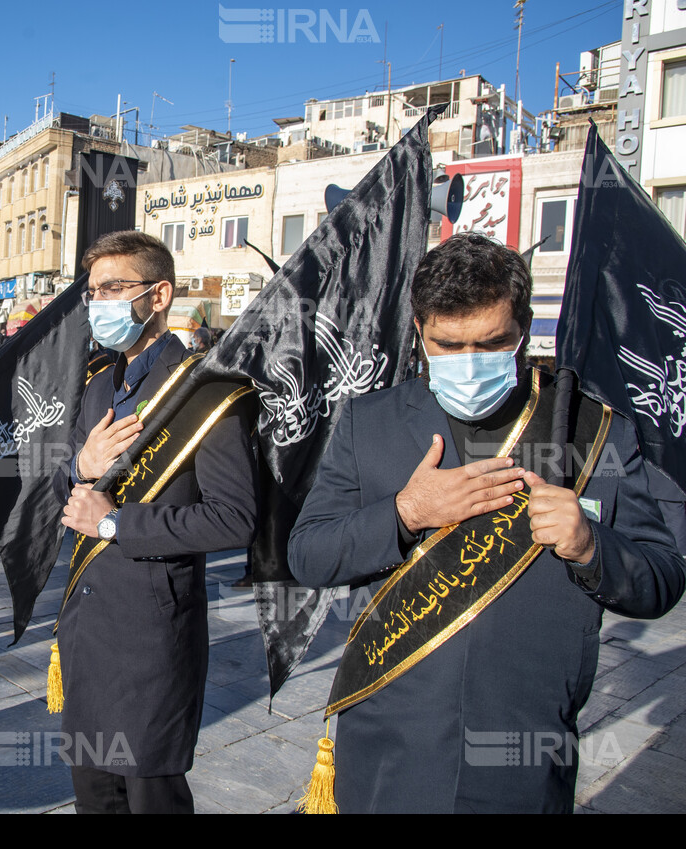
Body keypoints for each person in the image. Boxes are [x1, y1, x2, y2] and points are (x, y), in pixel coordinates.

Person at [287, 233, 686, 813]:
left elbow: (662, 579)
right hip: (389, 742)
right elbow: (309, 555)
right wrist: (405, 513)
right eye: (448, 345)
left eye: (492, 343)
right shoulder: (367, 423)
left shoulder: (593, 430)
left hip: (522, 750)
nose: (470, 363)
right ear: (419, 330)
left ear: (522, 330)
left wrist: (589, 546)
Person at [53, 230, 259, 814]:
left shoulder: (206, 389)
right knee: (93, 790)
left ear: (160, 294)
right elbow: (71, 483)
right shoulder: (98, 385)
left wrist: (117, 524)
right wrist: (80, 465)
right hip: (88, 621)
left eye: (114, 287)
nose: (99, 303)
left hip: (152, 630)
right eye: (92, 291)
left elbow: (233, 518)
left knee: (149, 794)